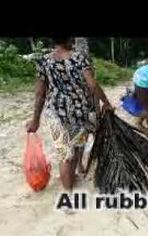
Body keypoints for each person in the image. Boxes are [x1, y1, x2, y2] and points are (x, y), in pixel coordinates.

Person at [26, 37, 113, 192]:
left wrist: (35, 120)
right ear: (68, 39)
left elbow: (40, 93)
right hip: (80, 111)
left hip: (55, 112)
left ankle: (68, 191)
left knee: (65, 153)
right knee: (77, 144)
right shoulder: (79, 58)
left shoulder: (43, 61)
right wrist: (105, 102)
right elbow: (92, 84)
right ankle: (75, 175)